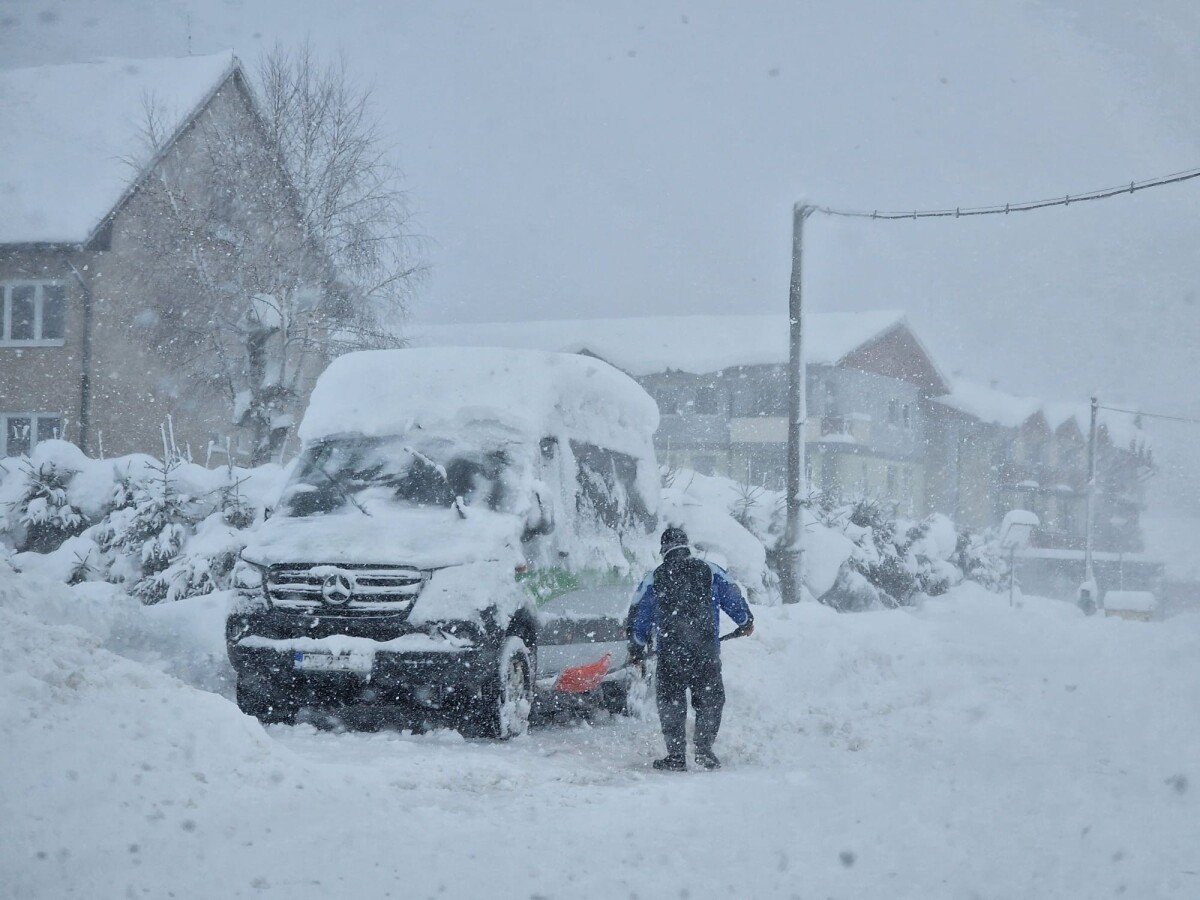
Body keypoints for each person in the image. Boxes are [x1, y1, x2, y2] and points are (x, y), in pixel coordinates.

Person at [628, 526, 754, 771]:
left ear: (664, 550)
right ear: (686, 546)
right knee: (710, 700)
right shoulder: (710, 570)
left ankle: (676, 757)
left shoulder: (655, 577)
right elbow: (733, 595)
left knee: (671, 702)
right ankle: (704, 751)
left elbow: (640, 614)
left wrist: (637, 646)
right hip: (705, 651)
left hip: (670, 654)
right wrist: (745, 620)